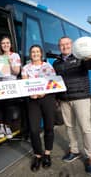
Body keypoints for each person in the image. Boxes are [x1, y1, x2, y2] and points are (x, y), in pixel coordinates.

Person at [53, 36, 91, 175]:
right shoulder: (56, 63)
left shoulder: (81, 57)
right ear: (59, 47)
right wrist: (57, 97)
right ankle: (74, 151)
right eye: (62, 45)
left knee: (85, 128)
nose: (65, 46)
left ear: (72, 45)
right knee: (69, 127)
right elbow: (56, 82)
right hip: (64, 99)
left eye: (67, 44)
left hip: (80, 97)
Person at [21, 44, 57, 172]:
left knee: (49, 127)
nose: (35, 54)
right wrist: (31, 93)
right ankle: (37, 155)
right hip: (32, 101)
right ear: (30, 54)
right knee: (34, 129)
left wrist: (44, 92)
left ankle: (47, 153)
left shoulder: (48, 67)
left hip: (47, 99)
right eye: (33, 52)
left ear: (41, 54)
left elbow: (53, 82)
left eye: (37, 52)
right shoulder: (25, 68)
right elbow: (24, 83)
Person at [0, 36, 21, 139]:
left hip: (11, 86)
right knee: (1, 106)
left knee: (9, 107)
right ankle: (1, 127)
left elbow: (16, 72)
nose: (5, 45)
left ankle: (8, 126)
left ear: (10, 44)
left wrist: (10, 63)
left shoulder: (15, 56)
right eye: (3, 43)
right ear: (1, 46)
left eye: (7, 43)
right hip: (1, 86)